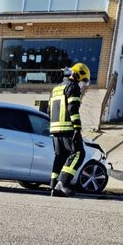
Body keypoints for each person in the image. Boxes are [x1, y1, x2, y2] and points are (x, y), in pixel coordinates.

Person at [49, 63, 91, 197]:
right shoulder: (72, 87)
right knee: (78, 154)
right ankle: (63, 184)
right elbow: (73, 108)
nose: (82, 84)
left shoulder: (56, 88)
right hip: (68, 128)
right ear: (78, 75)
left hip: (55, 129)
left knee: (60, 156)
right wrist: (77, 128)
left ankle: (53, 185)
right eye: (83, 80)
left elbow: (49, 110)